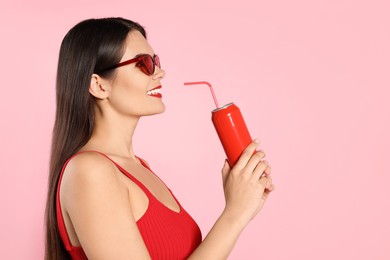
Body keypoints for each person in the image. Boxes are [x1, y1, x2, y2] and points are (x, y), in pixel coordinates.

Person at [44, 17, 275, 260]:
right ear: (99, 85)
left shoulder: (139, 168)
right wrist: (234, 216)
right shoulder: (89, 172)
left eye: (156, 61)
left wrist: (245, 205)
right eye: (143, 64)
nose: (160, 72)